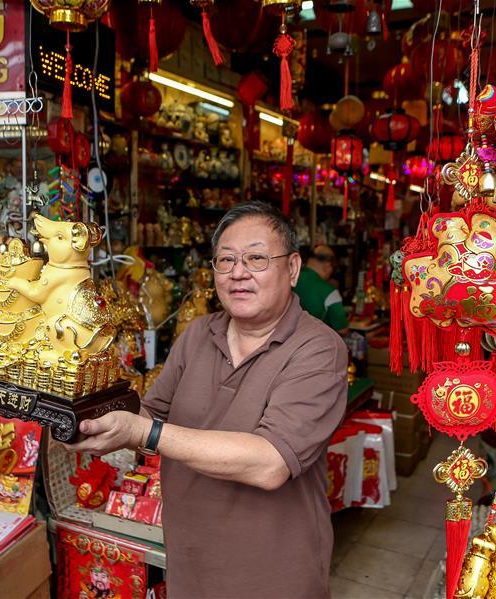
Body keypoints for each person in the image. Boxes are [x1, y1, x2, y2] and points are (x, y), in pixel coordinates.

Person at [69, 202, 348, 598]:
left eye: (256, 258)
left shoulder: (318, 348)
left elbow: (270, 463)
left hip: (274, 577)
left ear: (293, 269)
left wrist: (144, 432)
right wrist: (87, 416)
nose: (238, 273)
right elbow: (149, 412)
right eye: (226, 260)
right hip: (190, 565)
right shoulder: (199, 333)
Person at [294, 244, 350, 335]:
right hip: (318, 344)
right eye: (333, 268)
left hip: (289, 343)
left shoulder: (289, 279)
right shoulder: (329, 292)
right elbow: (342, 329)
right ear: (328, 265)